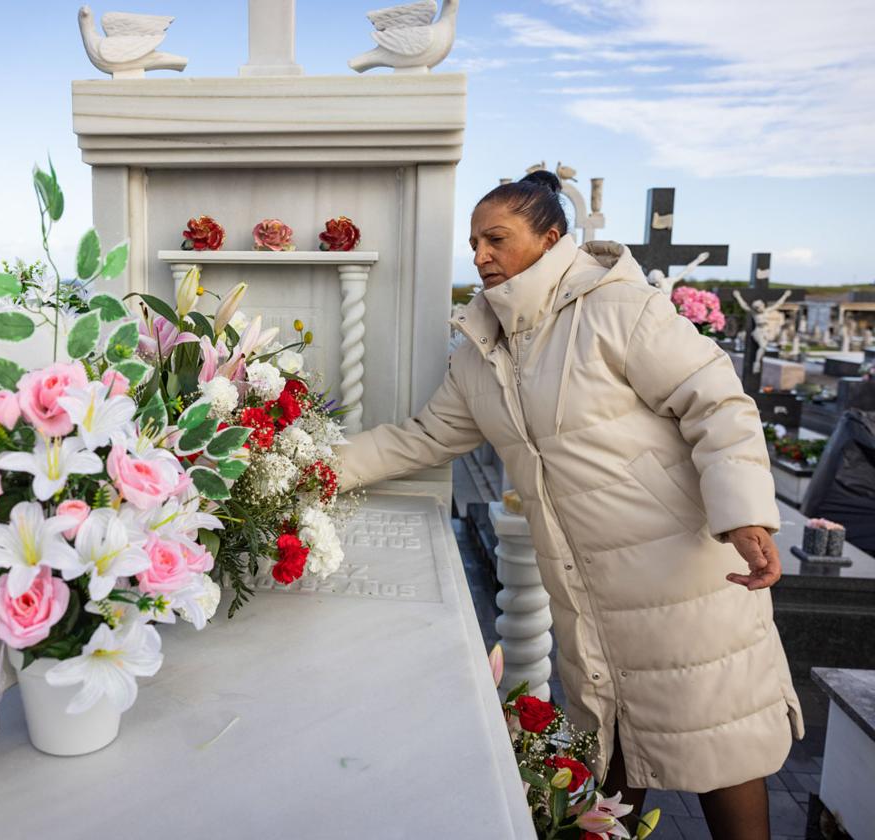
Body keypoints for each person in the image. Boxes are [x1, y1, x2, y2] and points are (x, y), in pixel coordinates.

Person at [339, 171, 801, 840]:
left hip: (681, 582)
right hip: (590, 599)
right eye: (473, 242)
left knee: (720, 747)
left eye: (496, 238)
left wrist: (746, 513)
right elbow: (425, 438)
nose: (480, 255)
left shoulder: (618, 308)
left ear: (551, 239)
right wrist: (311, 471)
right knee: (606, 763)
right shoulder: (480, 353)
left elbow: (714, 398)